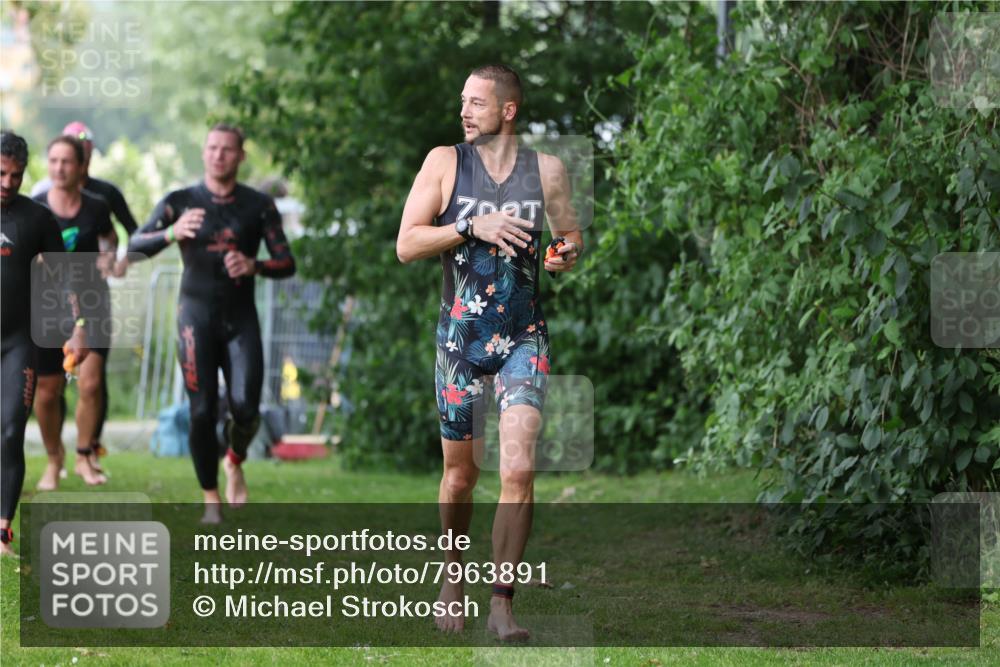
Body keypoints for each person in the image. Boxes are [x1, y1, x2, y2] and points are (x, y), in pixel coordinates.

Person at [396, 64, 583, 640]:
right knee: (460, 478)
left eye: (477, 102)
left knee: (520, 467)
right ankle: (452, 578)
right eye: (462, 101)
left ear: (508, 110)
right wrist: (472, 225)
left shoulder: (547, 171)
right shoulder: (443, 162)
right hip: (461, 343)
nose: (464, 111)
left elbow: (571, 236)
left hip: (524, 337)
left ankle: (502, 603)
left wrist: (563, 255)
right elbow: (407, 243)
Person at [128, 123, 296, 524]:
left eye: (227, 149)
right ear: (204, 153)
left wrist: (254, 264)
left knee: (246, 408)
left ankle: (234, 460)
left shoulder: (258, 205)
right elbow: (134, 246)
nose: (219, 155)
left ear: (240, 156)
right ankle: (211, 500)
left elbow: (287, 262)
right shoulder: (180, 201)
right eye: (212, 148)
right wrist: (171, 233)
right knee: (201, 411)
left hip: (240, 321)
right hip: (194, 321)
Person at [1, 131, 89, 557]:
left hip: (18, 341)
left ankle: (2, 532)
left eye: (16, 176)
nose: (7, 183)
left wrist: (78, 325)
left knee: (11, 430)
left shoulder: (35, 219)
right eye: (1, 173)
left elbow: (65, 275)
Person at [32, 121, 138, 472]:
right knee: (48, 391)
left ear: (81, 167)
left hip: (92, 300)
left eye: (67, 162)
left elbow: (111, 237)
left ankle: (83, 456)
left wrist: (112, 257)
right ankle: (53, 458)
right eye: (54, 161)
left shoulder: (97, 205)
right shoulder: (34, 207)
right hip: (48, 305)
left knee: (90, 384)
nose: (60, 168)